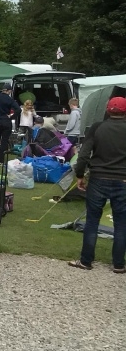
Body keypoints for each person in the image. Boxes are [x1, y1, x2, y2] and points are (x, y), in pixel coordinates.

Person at [68, 96, 126, 272]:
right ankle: (118, 264)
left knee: (92, 220)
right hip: (122, 180)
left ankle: (86, 261)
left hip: (98, 178)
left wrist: (79, 175)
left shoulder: (97, 127)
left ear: (108, 110)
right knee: (121, 223)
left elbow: (84, 154)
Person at [0, 84, 20, 161]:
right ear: (8, 91)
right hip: (6, 121)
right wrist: (11, 117)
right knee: (4, 141)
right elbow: (19, 110)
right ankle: (1, 159)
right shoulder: (10, 99)